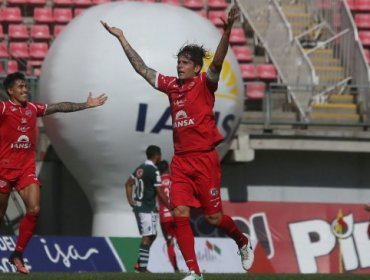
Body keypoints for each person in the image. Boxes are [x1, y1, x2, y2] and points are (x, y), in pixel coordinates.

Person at [102, 7, 254, 280]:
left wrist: (228, 31)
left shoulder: (205, 84)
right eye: (179, 62)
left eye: (184, 63)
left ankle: (242, 241)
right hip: (181, 161)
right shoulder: (173, 86)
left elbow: (217, 63)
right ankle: (194, 272)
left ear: (196, 67)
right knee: (179, 213)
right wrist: (122, 39)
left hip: (205, 159)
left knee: (214, 219)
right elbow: (143, 70)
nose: (179, 66)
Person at [0, 72, 108, 274]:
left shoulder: (32, 108)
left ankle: (17, 254)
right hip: (3, 171)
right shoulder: (4, 108)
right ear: (10, 91)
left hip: (26, 171)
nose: (25, 90)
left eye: (25, 86)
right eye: (20, 87)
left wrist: (86, 105)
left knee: (34, 209)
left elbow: (58, 107)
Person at [124, 145, 171, 273]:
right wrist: (169, 207)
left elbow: (128, 183)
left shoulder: (140, 168)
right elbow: (160, 192)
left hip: (141, 207)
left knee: (152, 235)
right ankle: (142, 268)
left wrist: (130, 201)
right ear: (158, 156)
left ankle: (140, 263)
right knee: (148, 237)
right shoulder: (153, 170)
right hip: (146, 209)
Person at [157, 160, 179, 272]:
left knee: (169, 243)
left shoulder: (157, 182)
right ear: (168, 169)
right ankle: (192, 267)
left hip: (164, 218)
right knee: (182, 240)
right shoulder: (173, 180)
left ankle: (175, 269)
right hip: (175, 215)